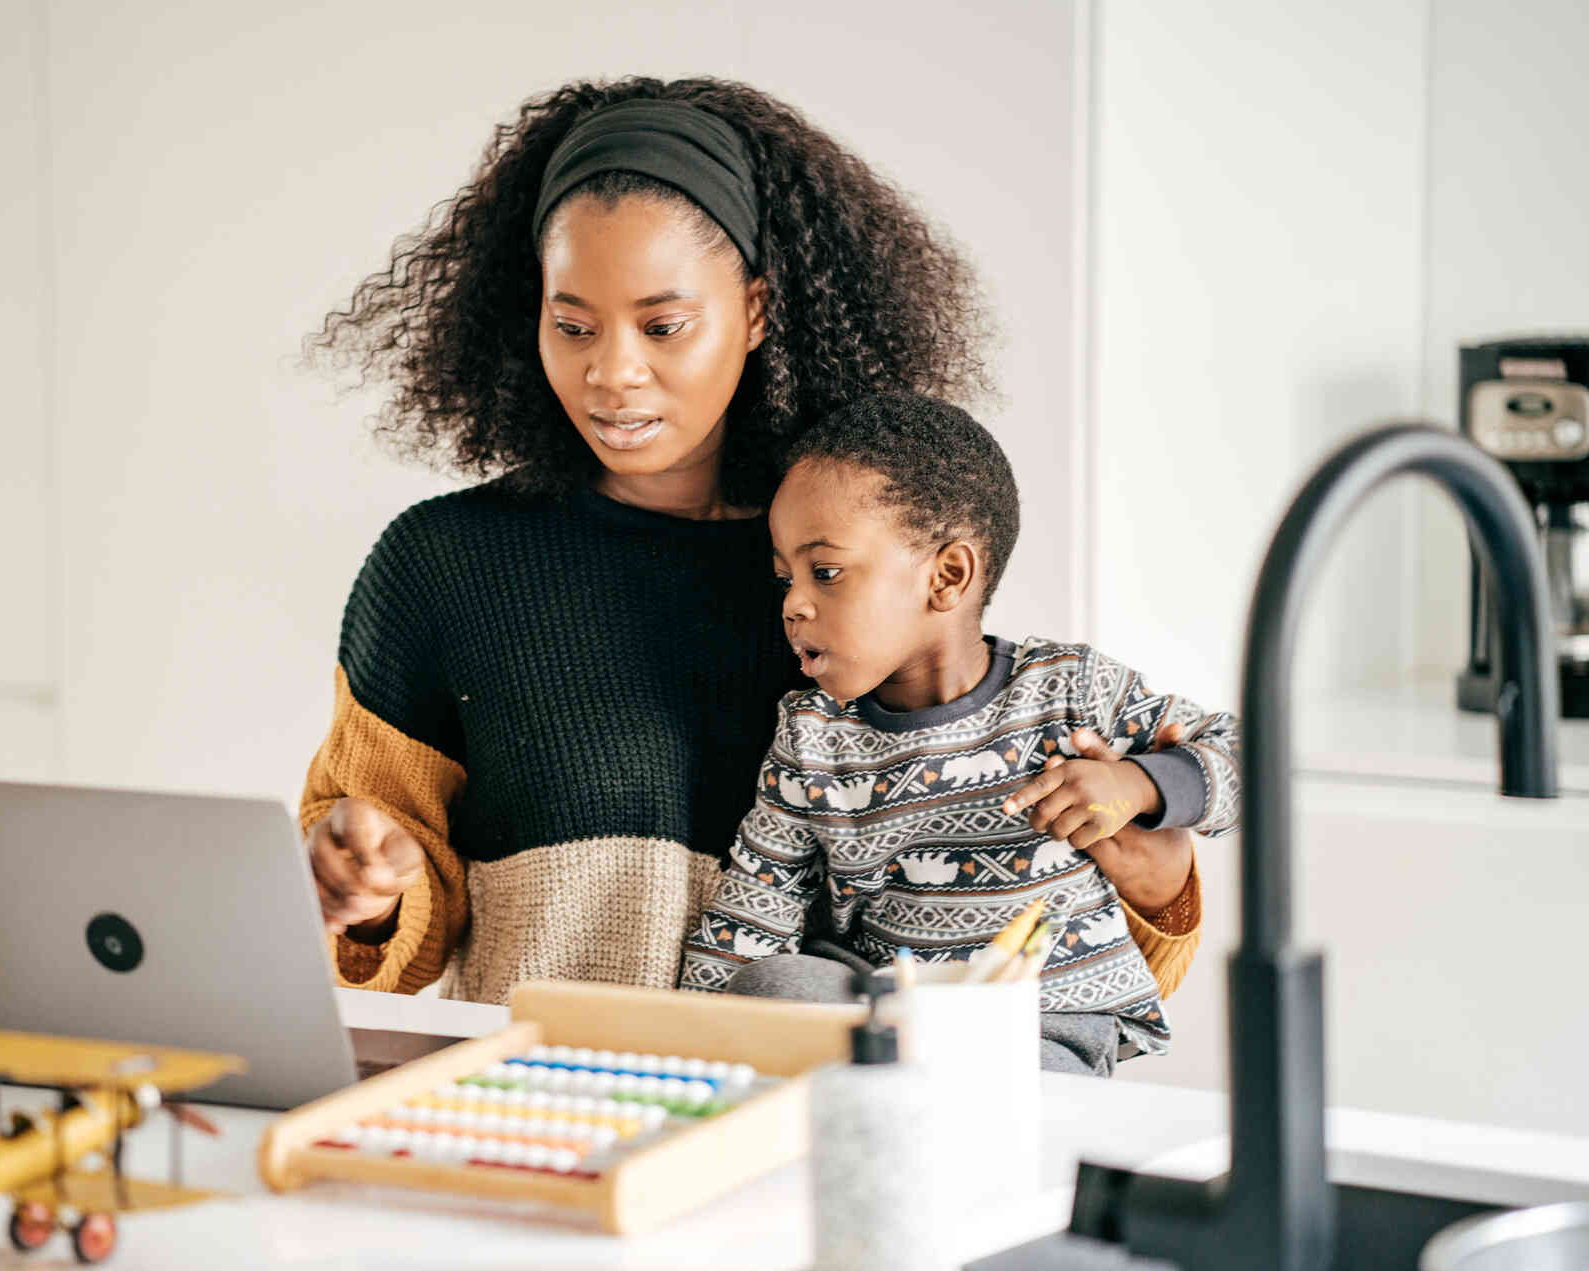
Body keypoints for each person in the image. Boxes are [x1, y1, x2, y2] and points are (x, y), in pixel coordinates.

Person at [300, 76, 1200, 1006]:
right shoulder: (441, 564)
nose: (611, 372)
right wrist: (361, 887)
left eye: (664, 325)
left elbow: (1026, 927)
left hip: (813, 1124)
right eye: (571, 325)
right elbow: (381, 935)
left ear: (759, 313)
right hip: (545, 1115)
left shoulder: (855, 567)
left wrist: (1154, 881)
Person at [681, 392, 1238, 1071]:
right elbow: (756, 901)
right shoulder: (810, 736)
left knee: (1027, 1087)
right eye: (786, 579)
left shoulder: (1071, 690)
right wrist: (688, 1046)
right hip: (893, 1007)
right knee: (774, 984)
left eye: (825, 573)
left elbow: (1249, 754)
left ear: (948, 576)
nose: (795, 604)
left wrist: (1141, 785)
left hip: (1041, 1018)